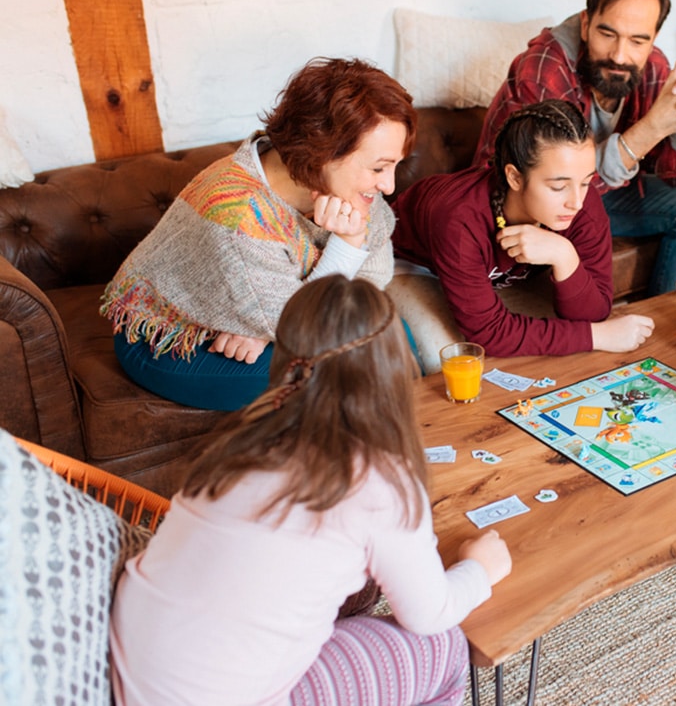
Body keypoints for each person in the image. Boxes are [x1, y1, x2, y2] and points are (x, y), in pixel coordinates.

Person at [109, 275, 512, 705]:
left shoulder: (237, 441)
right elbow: (430, 615)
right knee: (446, 648)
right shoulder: (380, 481)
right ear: (393, 368)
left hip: (136, 676)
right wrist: (478, 569)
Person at [101, 57, 416, 410]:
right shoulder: (238, 216)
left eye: (394, 165)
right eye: (379, 167)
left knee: (396, 340)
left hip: (276, 314)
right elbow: (304, 330)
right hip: (171, 339)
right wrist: (348, 245)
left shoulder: (351, 187)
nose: (388, 186)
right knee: (346, 371)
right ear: (323, 151)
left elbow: (373, 280)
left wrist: (265, 328)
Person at [473, 0, 676, 297]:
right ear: (586, 24)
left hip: (597, 195)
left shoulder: (651, 64)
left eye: (638, 40)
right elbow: (553, 181)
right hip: (529, 202)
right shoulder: (545, 65)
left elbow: (674, 176)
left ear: (653, 39)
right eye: (608, 34)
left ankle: (668, 324)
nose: (620, 55)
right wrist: (654, 127)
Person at [390, 99, 654, 373]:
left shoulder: (581, 203)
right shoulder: (458, 219)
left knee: (559, 346)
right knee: (454, 360)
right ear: (515, 178)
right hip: (413, 265)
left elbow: (594, 312)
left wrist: (565, 255)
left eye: (586, 182)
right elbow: (490, 334)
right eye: (558, 187)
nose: (576, 201)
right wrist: (600, 337)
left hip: (499, 277)